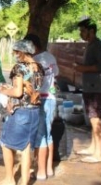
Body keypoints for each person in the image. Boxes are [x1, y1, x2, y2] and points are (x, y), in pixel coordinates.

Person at [0, 40, 42, 185]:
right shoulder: (38, 67)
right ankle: (24, 182)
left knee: (5, 143)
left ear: (22, 52)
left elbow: (17, 92)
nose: (14, 54)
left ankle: (9, 179)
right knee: (26, 148)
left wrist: (3, 90)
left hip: (20, 111)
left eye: (16, 51)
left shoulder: (19, 68)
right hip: (35, 111)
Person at [73, 18, 101, 163]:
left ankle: (99, 153)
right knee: (92, 118)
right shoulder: (90, 45)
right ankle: (93, 147)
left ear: (91, 31)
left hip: (98, 87)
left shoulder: (98, 45)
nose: (81, 34)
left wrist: (83, 68)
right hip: (90, 86)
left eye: (83, 31)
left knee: (96, 119)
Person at [25, 33, 59, 181]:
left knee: (40, 135)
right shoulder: (50, 57)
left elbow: (30, 83)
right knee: (47, 133)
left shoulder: (36, 61)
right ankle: (49, 168)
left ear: (32, 46)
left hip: (41, 99)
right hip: (51, 97)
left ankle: (41, 171)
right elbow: (56, 73)